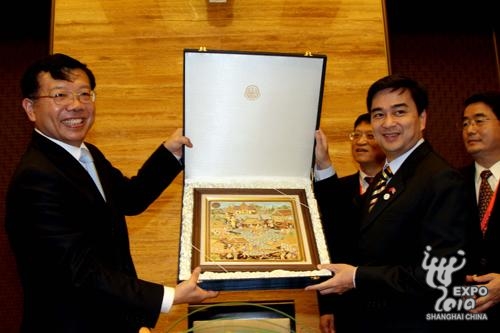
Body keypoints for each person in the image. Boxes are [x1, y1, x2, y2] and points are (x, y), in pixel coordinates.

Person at [5, 53, 219, 333]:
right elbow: (80, 271)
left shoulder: (85, 153)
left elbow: (130, 198)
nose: (76, 105)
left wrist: (171, 153)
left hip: (108, 317)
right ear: (31, 108)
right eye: (60, 95)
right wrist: (170, 296)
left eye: (84, 94)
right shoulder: (36, 177)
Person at [307, 74, 472, 332]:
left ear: (423, 118)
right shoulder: (388, 175)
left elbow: (441, 274)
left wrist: (357, 277)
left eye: (399, 112)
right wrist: (324, 165)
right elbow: (351, 228)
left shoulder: (441, 180)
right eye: (378, 114)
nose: (388, 123)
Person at [314, 113, 385, 332]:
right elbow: (328, 246)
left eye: (370, 135)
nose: (361, 141)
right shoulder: (339, 189)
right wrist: (327, 307)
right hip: (346, 306)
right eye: (356, 135)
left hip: (392, 303)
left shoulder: (407, 188)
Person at [460, 91, 500, 328]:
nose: (470, 129)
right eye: (465, 123)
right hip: (464, 314)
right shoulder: (450, 183)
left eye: (479, 120)